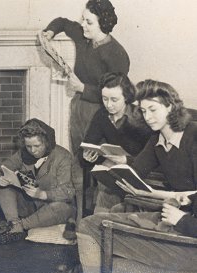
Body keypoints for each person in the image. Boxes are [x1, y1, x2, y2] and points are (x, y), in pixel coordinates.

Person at [76, 80, 197, 272]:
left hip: (186, 225)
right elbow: (137, 170)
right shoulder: (157, 139)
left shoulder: (194, 135)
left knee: (97, 225)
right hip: (177, 212)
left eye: (153, 109)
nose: (147, 117)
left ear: (170, 107)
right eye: (143, 111)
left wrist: (152, 195)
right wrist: (119, 166)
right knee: (96, 219)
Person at [42, 0, 130, 156]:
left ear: (103, 24)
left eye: (89, 22)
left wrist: (82, 88)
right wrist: (50, 31)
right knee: (78, 154)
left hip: (101, 112)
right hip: (78, 105)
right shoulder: (83, 36)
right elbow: (62, 22)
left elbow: (118, 96)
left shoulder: (117, 54)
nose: (83, 24)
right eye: (83, 19)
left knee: (96, 158)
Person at [0, 119, 76, 244]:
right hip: (29, 206)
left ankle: (17, 227)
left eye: (37, 146)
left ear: (47, 142)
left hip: (52, 208)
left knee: (61, 207)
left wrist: (42, 194)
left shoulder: (62, 157)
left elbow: (68, 192)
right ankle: (14, 224)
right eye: (28, 146)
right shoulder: (22, 154)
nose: (32, 151)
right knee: (1, 184)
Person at [81, 72, 152, 212]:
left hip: (141, 172)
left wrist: (126, 160)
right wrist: (87, 157)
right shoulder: (101, 115)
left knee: (108, 192)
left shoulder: (142, 117)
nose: (108, 105)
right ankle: (104, 222)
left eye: (114, 100)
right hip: (115, 172)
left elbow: (154, 157)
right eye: (104, 99)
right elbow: (88, 145)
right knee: (107, 181)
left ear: (126, 97)